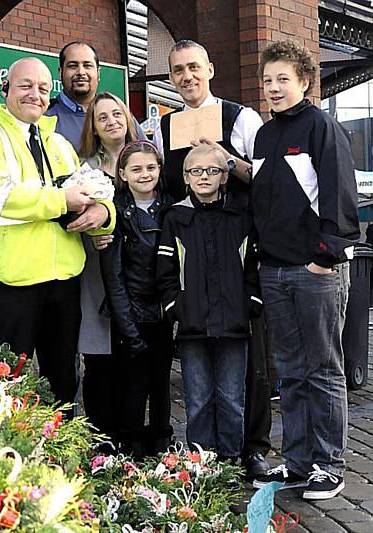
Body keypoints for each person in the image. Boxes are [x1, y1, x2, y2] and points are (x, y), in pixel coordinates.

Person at [0, 57, 115, 406]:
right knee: (4, 385)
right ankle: (6, 455)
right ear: (6, 90)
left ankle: (60, 455)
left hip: (63, 281)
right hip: (12, 280)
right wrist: (63, 200)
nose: (36, 94)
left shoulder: (60, 144)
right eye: (26, 86)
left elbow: (96, 190)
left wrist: (104, 213)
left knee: (63, 384)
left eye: (43, 89)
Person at [153, 39, 271, 478]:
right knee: (204, 388)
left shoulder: (240, 117)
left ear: (210, 68)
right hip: (191, 256)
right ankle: (205, 458)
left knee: (248, 372)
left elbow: (264, 175)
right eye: (178, 70)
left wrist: (227, 161)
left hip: (238, 247)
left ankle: (251, 449)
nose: (187, 76)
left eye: (193, 67)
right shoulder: (165, 127)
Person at [251, 41, 360, 499]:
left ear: (304, 82)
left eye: (283, 79)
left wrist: (324, 258)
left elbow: (339, 195)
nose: (274, 88)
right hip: (274, 271)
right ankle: (297, 461)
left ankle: (328, 464)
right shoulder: (264, 136)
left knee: (324, 370)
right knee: (291, 373)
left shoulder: (322, 128)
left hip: (316, 271)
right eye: (268, 80)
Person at [157, 143, 261, 462]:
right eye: (196, 171)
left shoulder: (239, 217)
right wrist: (176, 307)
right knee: (198, 398)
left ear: (225, 177)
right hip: (192, 325)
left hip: (234, 324)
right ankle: (201, 461)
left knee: (231, 397)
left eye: (213, 170)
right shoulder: (176, 217)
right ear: (186, 177)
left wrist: (251, 303)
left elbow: (252, 268)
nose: (204, 176)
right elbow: (165, 270)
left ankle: (230, 459)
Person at [100, 141, 175, 456]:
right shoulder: (115, 211)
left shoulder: (171, 206)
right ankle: (130, 451)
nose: (145, 174)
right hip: (130, 313)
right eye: (136, 169)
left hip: (163, 312)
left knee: (161, 385)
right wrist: (128, 325)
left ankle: (161, 446)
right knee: (132, 386)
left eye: (150, 167)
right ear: (122, 174)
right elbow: (114, 277)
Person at [77, 93, 139, 442]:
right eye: (103, 118)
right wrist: (94, 233)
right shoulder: (86, 170)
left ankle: (134, 439)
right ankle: (103, 438)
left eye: (117, 113)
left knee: (136, 361)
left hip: (140, 274)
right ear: (95, 129)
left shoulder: (148, 159)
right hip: (99, 274)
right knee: (100, 361)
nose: (112, 120)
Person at [46, 41, 145, 153]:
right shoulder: (45, 116)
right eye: (73, 66)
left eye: (87, 65)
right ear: (60, 72)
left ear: (98, 73)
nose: (81, 72)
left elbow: (147, 158)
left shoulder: (122, 116)